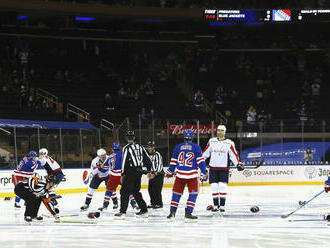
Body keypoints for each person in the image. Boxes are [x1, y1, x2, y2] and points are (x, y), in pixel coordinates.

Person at [165, 130, 207, 220]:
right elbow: (200, 161)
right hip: (192, 176)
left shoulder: (177, 147)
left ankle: (172, 212)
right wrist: (204, 171)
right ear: (192, 137)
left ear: (184, 137)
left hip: (180, 176)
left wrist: (170, 171)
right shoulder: (196, 147)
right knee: (193, 194)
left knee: (176, 194)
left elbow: (173, 162)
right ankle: (188, 212)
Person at [203, 125, 244, 212]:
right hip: (213, 168)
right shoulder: (211, 141)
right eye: (218, 130)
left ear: (224, 132)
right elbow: (205, 153)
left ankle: (222, 207)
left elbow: (234, 155)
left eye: (221, 130)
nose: (219, 132)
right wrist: (200, 162)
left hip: (224, 169)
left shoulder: (229, 143)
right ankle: (215, 206)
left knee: (222, 186)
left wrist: (238, 164)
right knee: (214, 187)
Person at [114, 130, 154, 218]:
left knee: (124, 192)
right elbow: (147, 159)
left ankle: (122, 212)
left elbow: (124, 162)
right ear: (134, 138)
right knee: (136, 191)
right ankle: (144, 209)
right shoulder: (140, 147)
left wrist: (122, 174)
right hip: (139, 171)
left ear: (126, 138)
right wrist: (149, 170)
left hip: (130, 172)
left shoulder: (126, 148)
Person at [98, 142, 138, 211]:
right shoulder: (123, 153)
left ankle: (105, 205)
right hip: (122, 176)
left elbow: (104, 169)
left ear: (112, 149)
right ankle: (133, 203)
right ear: (120, 147)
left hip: (113, 176)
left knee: (109, 190)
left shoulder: (110, 156)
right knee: (129, 189)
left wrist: (100, 167)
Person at [146, 141, 164, 209]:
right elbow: (148, 165)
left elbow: (159, 166)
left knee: (157, 190)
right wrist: (149, 173)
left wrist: (154, 174)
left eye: (150, 147)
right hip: (152, 174)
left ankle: (159, 203)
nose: (148, 148)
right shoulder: (148, 155)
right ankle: (153, 203)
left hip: (159, 174)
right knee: (150, 189)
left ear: (153, 147)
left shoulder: (157, 155)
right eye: (148, 147)